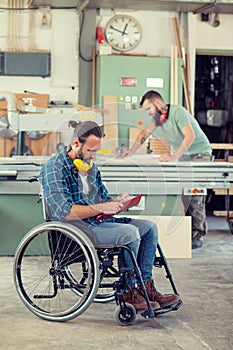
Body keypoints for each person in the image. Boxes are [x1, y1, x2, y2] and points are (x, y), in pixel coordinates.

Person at [38, 120, 180, 312]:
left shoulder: (90, 168)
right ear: (76, 144)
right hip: (75, 229)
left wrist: (118, 204)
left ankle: (146, 287)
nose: (93, 156)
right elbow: (66, 211)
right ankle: (130, 291)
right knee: (129, 233)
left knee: (149, 228)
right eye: (91, 151)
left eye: (97, 151)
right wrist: (101, 208)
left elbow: (103, 200)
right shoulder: (55, 167)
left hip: (98, 223)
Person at [122, 90, 212, 250]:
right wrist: (132, 151)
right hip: (185, 155)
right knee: (184, 195)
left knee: (194, 194)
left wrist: (174, 156)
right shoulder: (159, 119)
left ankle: (198, 234)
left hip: (200, 154)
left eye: (149, 109)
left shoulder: (178, 112)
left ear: (157, 103)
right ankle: (188, 232)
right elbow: (145, 133)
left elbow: (189, 136)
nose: (149, 113)